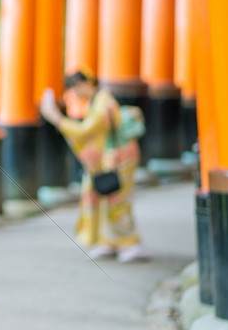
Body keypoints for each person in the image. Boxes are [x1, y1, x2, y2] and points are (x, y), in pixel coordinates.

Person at [40, 69, 150, 263]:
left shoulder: (102, 103)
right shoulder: (98, 100)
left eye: (75, 88)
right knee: (106, 199)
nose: (75, 93)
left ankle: (131, 243)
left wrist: (55, 117)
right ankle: (109, 241)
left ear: (85, 84)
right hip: (111, 157)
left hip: (119, 158)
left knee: (118, 201)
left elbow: (85, 132)